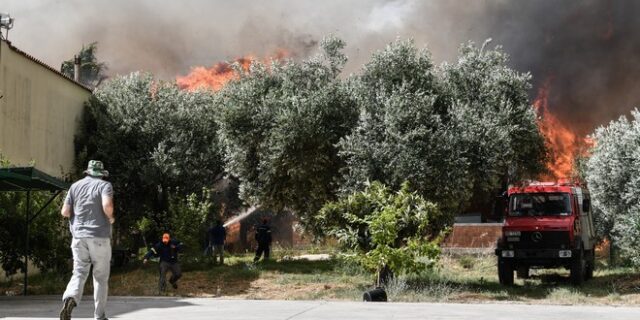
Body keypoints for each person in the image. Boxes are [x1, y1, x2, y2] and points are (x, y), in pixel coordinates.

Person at [59, 160, 115, 320]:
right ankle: (99, 316)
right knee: (100, 277)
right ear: (101, 174)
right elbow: (107, 205)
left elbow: (65, 212)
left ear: (88, 172)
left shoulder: (74, 187)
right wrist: (110, 218)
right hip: (99, 237)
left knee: (79, 272)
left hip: (78, 237)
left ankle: (70, 297)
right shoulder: (105, 186)